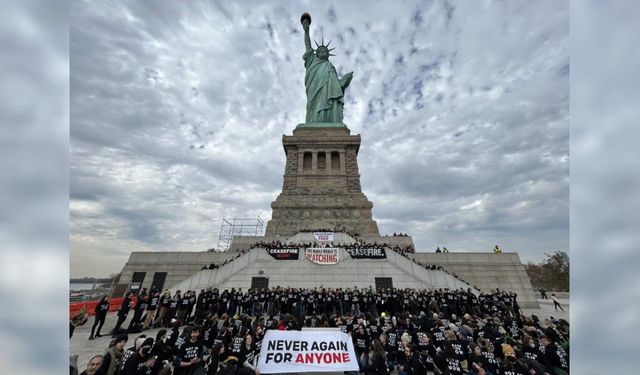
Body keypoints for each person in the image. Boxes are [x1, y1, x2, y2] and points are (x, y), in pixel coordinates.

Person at [300, 12, 353, 124]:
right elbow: (308, 46)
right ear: (317, 53)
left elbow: (335, 87)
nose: (323, 52)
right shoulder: (312, 61)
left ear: (328, 55)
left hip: (328, 93)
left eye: (325, 51)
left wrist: (344, 80)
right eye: (320, 51)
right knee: (314, 106)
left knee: (331, 102)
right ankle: (315, 122)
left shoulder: (330, 66)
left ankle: (330, 121)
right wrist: (306, 31)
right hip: (315, 90)